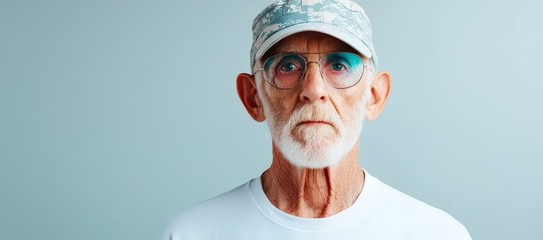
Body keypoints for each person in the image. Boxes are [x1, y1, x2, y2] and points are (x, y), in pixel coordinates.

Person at [164, 0, 472, 239]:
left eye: (339, 65)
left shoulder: (436, 235)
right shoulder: (192, 233)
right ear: (253, 97)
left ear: (374, 95)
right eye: (287, 66)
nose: (313, 90)